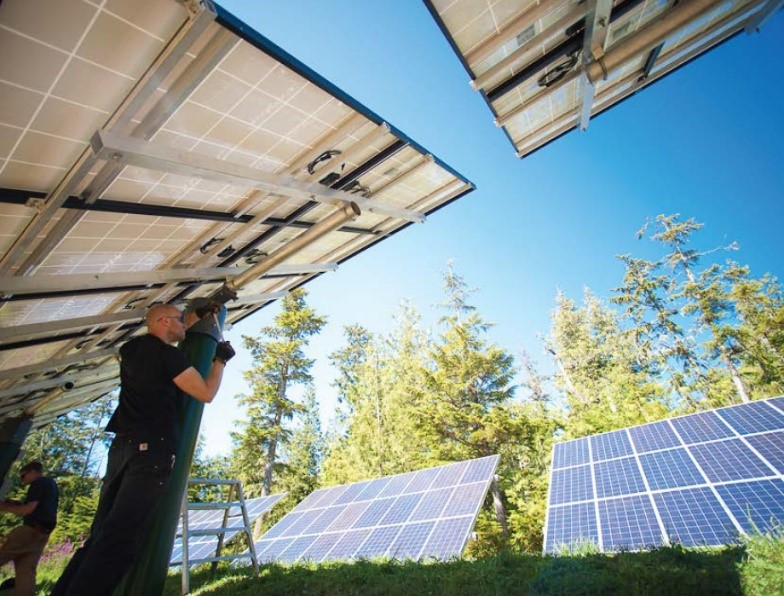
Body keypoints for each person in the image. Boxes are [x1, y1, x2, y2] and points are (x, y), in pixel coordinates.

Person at [52, 303, 235, 596]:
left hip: (121, 448)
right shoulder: (169, 356)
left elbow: (169, 325)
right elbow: (205, 392)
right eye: (180, 320)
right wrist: (220, 360)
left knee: (100, 535)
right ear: (164, 321)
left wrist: (198, 315)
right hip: (152, 450)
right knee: (121, 538)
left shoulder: (131, 349)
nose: (184, 325)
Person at [0, 461, 59, 596]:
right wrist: (16, 504)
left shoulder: (38, 483)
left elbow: (28, 509)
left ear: (33, 472)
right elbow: (38, 507)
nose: (22, 480)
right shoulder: (51, 484)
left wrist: (4, 507)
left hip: (30, 530)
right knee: (26, 570)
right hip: (42, 533)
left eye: (23, 476)